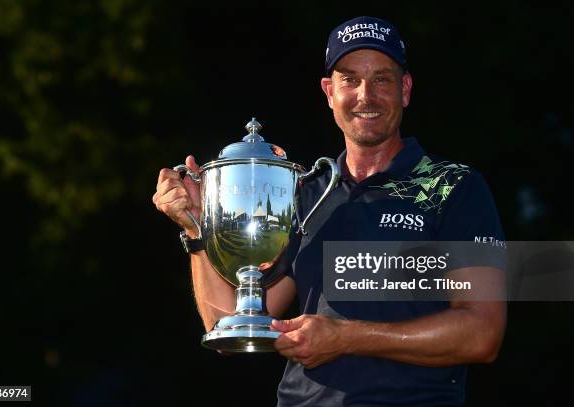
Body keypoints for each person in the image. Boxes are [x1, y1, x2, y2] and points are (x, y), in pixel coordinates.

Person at [153, 16, 507, 407]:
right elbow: (229, 328)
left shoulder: (455, 185)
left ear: (405, 90)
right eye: (350, 79)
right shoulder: (306, 193)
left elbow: (482, 333)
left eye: (382, 80)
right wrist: (198, 230)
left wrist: (345, 337)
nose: (365, 95)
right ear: (329, 92)